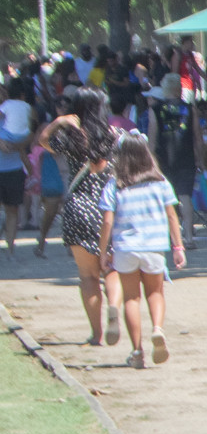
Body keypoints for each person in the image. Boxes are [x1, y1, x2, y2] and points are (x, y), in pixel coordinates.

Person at [97, 133, 189, 370]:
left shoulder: (115, 184)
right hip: (154, 247)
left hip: (125, 248)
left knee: (131, 298)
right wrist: (178, 247)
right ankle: (157, 329)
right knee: (156, 293)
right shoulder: (160, 182)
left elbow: (107, 222)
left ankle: (137, 351)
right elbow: (172, 216)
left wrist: (103, 251)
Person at [35, 90, 119, 345]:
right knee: (111, 268)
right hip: (108, 209)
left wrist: (59, 121)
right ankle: (114, 310)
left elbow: (43, 141)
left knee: (88, 276)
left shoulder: (71, 136)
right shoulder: (114, 136)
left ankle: (97, 334)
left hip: (78, 207)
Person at [147, 74, 202, 248]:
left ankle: (171, 237)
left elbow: (152, 137)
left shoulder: (155, 109)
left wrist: (150, 159)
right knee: (185, 195)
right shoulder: (189, 108)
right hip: (186, 156)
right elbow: (197, 136)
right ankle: (189, 237)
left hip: (163, 158)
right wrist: (200, 157)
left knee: (166, 198)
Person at [0, 76, 30, 252]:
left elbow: (28, 138)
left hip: (13, 169)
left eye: (3, 92)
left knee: (12, 210)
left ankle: (10, 248)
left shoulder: (18, 116)